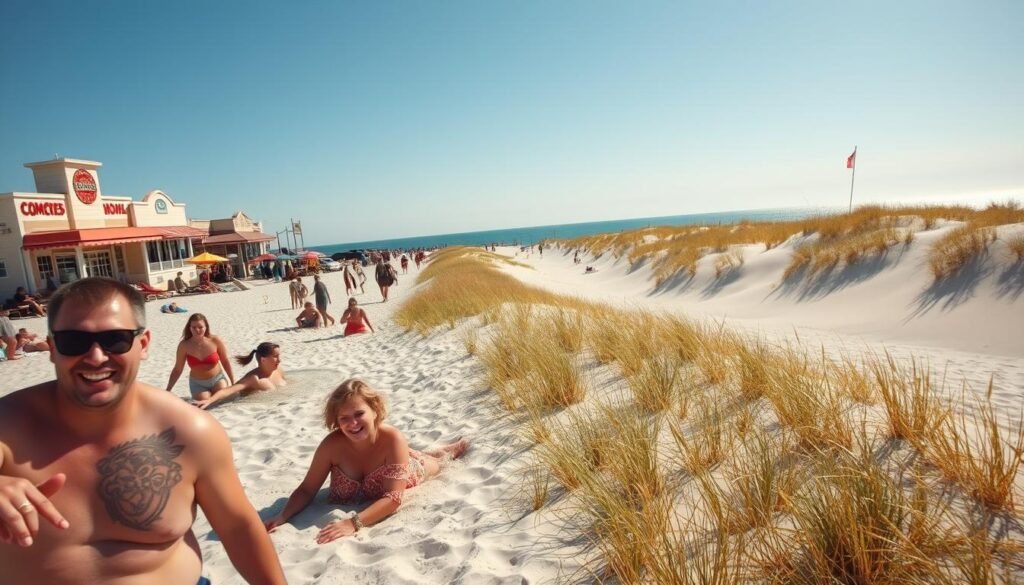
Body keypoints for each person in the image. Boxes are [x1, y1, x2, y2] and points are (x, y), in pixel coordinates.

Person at [0, 277, 286, 584]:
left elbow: (238, 528)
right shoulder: (10, 425)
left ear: (143, 344)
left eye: (116, 340)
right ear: (53, 348)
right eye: (74, 341)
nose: (96, 357)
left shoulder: (191, 431)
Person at [262, 379, 468, 543]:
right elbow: (307, 489)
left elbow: (394, 497)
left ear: (375, 410)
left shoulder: (392, 438)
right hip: (394, 459)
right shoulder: (331, 446)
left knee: (434, 462)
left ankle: (441, 451)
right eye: (344, 418)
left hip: (413, 469)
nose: (352, 423)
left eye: (359, 414)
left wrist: (353, 523)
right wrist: (282, 515)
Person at [193, 342, 286, 410]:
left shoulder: (278, 370)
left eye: (279, 356)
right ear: (263, 360)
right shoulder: (254, 379)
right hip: (228, 400)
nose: (279, 360)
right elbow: (229, 390)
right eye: (275, 356)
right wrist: (209, 400)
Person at [165, 313, 236, 401]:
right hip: (198, 384)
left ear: (206, 327)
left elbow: (225, 361)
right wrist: (168, 389)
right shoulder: (184, 345)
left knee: (220, 400)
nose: (197, 330)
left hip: (218, 379)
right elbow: (178, 369)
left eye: (200, 327)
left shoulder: (215, 340)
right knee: (204, 402)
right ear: (189, 328)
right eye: (194, 327)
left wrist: (233, 382)